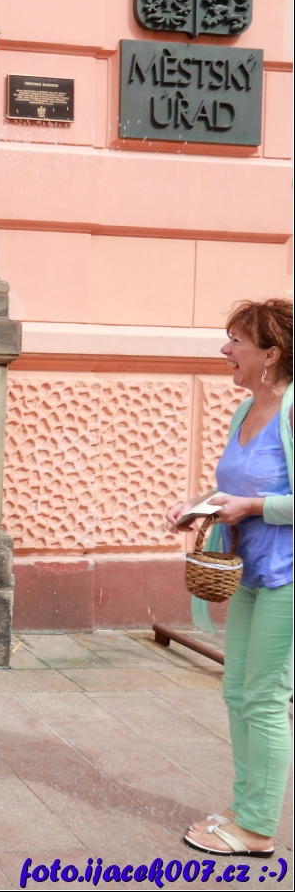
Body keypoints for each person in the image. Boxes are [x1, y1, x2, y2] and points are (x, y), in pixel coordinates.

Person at [166, 298, 292, 858]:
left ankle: (258, 828)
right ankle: (244, 808)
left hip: (288, 577)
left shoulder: (292, 410)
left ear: (272, 353)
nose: (225, 349)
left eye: (236, 340)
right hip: (250, 573)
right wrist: (199, 506)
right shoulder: (246, 410)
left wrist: (253, 508)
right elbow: (237, 488)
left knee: (264, 697)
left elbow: (259, 500)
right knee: (237, 690)